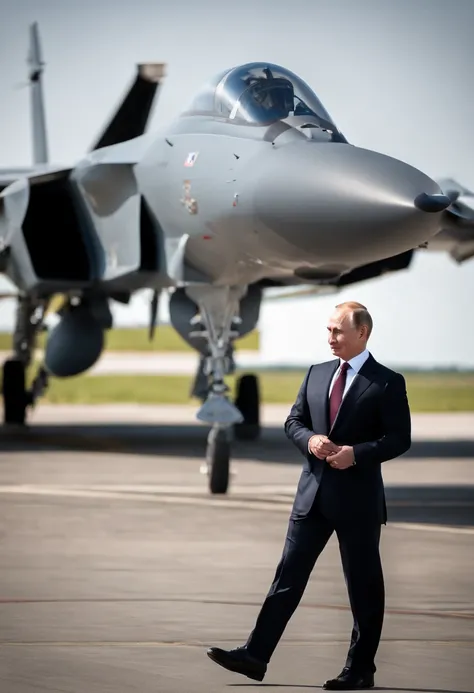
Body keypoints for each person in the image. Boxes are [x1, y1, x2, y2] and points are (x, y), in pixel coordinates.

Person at [206, 301, 411, 690]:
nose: (330, 337)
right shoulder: (317, 374)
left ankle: (360, 669)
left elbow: (400, 439)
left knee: (363, 587)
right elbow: (293, 421)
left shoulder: (387, 382)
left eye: (338, 331)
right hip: (312, 497)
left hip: (358, 501)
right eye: (329, 330)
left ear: (362, 333)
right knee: (286, 579)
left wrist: (357, 454)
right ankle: (255, 656)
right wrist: (311, 440)